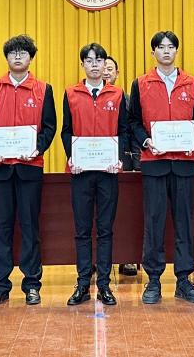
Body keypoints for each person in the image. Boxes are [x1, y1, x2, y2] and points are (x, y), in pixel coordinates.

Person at [127, 31, 194, 305]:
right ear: (153, 53)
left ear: (177, 51)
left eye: (171, 47)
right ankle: (153, 280)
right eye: (161, 47)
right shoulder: (141, 84)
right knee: (154, 221)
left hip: (183, 163)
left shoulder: (192, 83)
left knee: (184, 222)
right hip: (154, 163)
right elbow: (133, 122)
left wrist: (193, 139)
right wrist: (146, 141)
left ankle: (184, 280)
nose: (166, 51)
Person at [0, 35, 56, 306]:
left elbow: (49, 127)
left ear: (30, 58)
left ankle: (32, 284)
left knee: (29, 227)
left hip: (29, 168)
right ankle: (0, 285)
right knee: (1, 227)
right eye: (12, 52)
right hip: (0, 168)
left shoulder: (43, 89)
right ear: (6, 57)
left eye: (22, 53)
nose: (17, 56)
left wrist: (36, 149)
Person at [61, 43, 129, 306]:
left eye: (98, 60)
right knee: (81, 230)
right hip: (81, 172)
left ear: (105, 64)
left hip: (107, 172)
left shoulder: (117, 94)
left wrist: (118, 158)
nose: (94, 65)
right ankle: (82, 285)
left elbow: (123, 131)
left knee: (105, 230)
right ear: (82, 65)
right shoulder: (71, 93)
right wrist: (71, 156)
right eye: (89, 61)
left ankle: (104, 286)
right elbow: (66, 130)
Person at [105, 56, 141, 279]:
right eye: (103, 67)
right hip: (94, 163)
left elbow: (133, 133)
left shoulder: (125, 99)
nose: (106, 72)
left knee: (124, 212)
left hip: (124, 163)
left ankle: (126, 257)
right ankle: (97, 261)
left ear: (117, 73)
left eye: (110, 69)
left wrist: (136, 164)